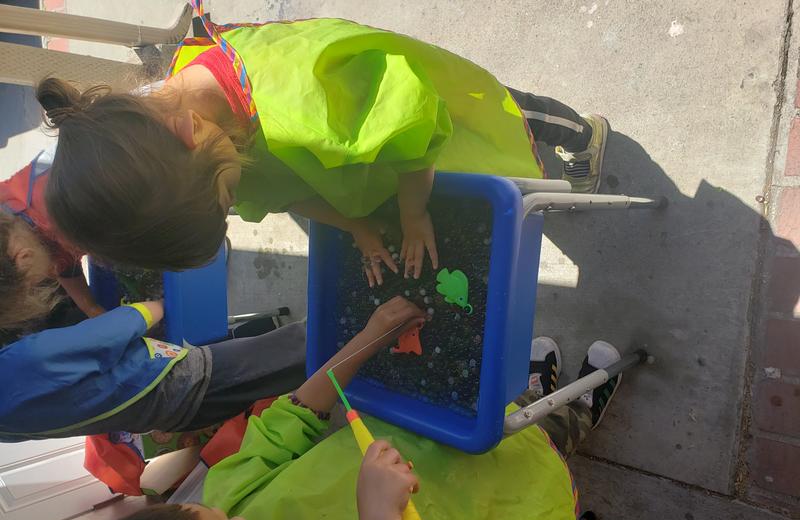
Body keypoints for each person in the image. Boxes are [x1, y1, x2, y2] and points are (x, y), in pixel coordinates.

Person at [51, 297, 623, 520]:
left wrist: (369, 335)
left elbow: (290, 421)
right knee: (544, 440)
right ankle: (581, 409)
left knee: (506, 412)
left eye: (206, 515)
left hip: (430, 436)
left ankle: (538, 390)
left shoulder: (226, 499)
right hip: (488, 504)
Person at [36, 5, 608, 288]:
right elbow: (281, 193)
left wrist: (413, 216)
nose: (236, 199)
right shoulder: (181, 146)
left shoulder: (306, 96)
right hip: (369, 153)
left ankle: (584, 136)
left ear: (188, 134)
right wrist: (355, 226)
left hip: (433, 113)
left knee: (508, 117)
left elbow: (416, 131)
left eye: (227, 193)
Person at [0, 298, 307, 442]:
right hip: (180, 380)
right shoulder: (19, 363)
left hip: (174, 415)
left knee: (281, 373)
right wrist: (159, 305)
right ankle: (354, 340)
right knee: (299, 347)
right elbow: (111, 332)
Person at [0, 149, 104, 334]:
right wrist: (91, 308)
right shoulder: (14, 225)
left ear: (24, 257)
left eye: (33, 285)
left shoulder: (70, 217)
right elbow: (62, 262)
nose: (50, 275)